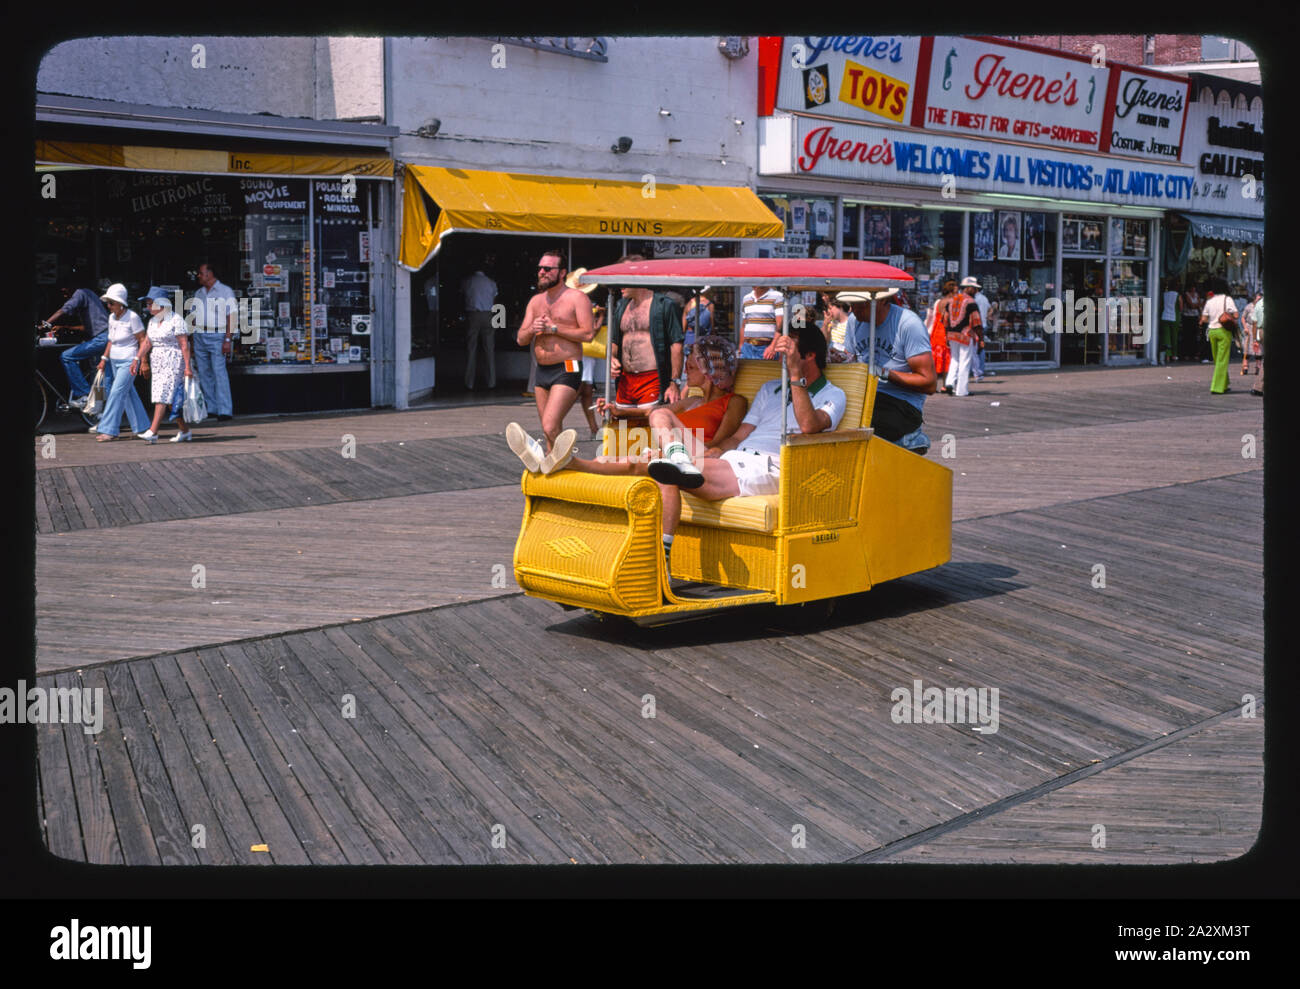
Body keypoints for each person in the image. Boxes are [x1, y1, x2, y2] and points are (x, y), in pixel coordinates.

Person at [647, 324, 845, 563]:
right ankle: (662, 552)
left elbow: (808, 426)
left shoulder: (834, 394)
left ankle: (659, 560)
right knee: (661, 461)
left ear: (810, 355)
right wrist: (717, 451)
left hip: (770, 465)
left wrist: (795, 375)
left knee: (666, 469)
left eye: (788, 349)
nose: (782, 356)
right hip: (738, 457)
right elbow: (739, 436)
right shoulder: (770, 388)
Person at [522, 335, 749, 483]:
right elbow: (654, 413)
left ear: (709, 371)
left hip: (692, 460)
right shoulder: (692, 401)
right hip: (667, 452)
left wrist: (678, 452)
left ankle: (564, 462)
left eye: (690, 367)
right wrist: (618, 411)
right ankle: (550, 462)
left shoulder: (734, 401)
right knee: (605, 459)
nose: (685, 373)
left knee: (632, 462)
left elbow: (718, 445)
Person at [514, 248, 594, 450]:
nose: (542, 272)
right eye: (540, 268)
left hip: (568, 366)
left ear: (561, 273)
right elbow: (521, 339)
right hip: (543, 370)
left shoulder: (577, 298)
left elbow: (587, 334)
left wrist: (555, 328)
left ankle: (571, 464)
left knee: (550, 425)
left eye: (548, 268)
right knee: (550, 430)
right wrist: (533, 329)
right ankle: (557, 472)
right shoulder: (536, 301)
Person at [840, 288, 937, 441]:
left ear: (883, 300)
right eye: (853, 304)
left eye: (862, 305)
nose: (855, 309)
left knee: (868, 424)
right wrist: (839, 358)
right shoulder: (854, 320)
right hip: (864, 396)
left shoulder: (908, 324)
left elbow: (929, 383)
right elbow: (849, 356)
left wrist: (885, 373)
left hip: (900, 403)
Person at [608, 254, 683, 409]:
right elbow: (614, 341)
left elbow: (676, 345)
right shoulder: (621, 306)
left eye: (625, 276)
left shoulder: (664, 305)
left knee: (649, 426)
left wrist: (674, 382)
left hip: (652, 379)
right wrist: (611, 358)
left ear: (639, 275)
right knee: (624, 428)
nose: (620, 282)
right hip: (626, 380)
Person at [89, 284, 151, 441]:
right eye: (108, 303)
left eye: (111, 303)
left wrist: (143, 362)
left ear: (121, 303)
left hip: (130, 361)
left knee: (116, 393)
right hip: (115, 360)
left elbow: (143, 340)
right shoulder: (111, 318)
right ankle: (142, 426)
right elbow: (111, 340)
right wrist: (104, 359)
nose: (108, 306)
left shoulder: (132, 317)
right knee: (128, 393)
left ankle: (109, 429)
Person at [136, 286, 195, 443]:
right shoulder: (153, 322)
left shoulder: (176, 320)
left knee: (163, 394)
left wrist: (188, 367)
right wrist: (138, 358)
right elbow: (147, 342)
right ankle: (185, 431)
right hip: (158, 361)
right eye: (147, 304)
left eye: (150, 304)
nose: (148, 307)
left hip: (174, 361)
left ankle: (153, 431)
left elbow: (184, 345)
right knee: (168, 398)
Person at [41, 284, 112, 408]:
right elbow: (88, 327)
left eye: (65, 288)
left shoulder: (80, 292)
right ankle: (98, 409)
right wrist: (65, 328)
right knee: (98, 375)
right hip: (105, 337)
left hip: (101, 339)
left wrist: (45, 324)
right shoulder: (90, 295)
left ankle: (83, 394)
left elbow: (63, 309)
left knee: (66, 356)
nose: (63, 292)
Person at [191, 261, 236, 420]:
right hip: (200, 335)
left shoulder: (225, 291)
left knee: (219, 372)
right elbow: (194, 317)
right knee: (204, 373)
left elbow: (232, 316)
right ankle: (212, 407)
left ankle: (225, 410)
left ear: (209, 274)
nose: (199, 276)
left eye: (201, 273)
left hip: (218, 335)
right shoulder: (199, 293)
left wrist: (228, 339)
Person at [566, 267, 603, 437]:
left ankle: (594, 428)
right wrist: (601, 317)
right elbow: (591, 332)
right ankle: (554, 422)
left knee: (585, 390)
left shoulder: (570, 303)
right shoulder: (586, 305)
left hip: (579, 352)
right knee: (574, 389)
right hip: (579, 352)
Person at [943, 277, 983, 397]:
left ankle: (949, 383)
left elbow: (945, 320)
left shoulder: (951, 300)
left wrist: (947, 335)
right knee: (965, 362)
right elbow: (976, 322)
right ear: (968, 288)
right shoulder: (971, 302)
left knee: (954, 360)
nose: (976, 291)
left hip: (952, 334)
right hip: (965, 335)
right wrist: (981, 338)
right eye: (975, 289)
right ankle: (962, 390)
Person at [462, 258, 498, 390]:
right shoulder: (491, 282)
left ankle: (469, 382)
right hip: (488, 314)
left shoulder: (468, 281)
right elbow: (495, 298)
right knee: (489, 349)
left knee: (471, 349)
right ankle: (491, 381)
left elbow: (463, 294)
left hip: (473, 314)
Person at [1200, 280, 1238, 396]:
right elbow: (1236, 315)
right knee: (1222, 360)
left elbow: (1204, 318)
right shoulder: (1228, 299)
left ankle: (1224, 383)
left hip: (1211, 331)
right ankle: (1217, 387)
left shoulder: (1210, 301)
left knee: (1217, 359)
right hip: (1223, 330)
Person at [739, 285, 785, 359]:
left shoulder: (778, 296)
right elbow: (744, 325)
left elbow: (780, 324)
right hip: (747, 347)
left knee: (767, 370)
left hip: (766, 348)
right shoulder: (746, 298)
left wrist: (772, 346)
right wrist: (741, 345)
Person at [928, 279, 954, 390]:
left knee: (936, 358)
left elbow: (934, 316)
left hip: (936, 330)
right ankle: (944, 384)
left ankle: (933, 385)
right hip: (945, 330)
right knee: (946, 358)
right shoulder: (951, 301)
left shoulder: (938, 302)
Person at [821, 295, 856, 362]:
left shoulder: (850, 322)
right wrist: (825, 324)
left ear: (840, 307)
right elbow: (824, 340)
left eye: (830, 308)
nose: (829, 311)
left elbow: (851, 349)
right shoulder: (831, 322)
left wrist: (838, 350)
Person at [972, 283, 994, 378]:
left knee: (975, 348)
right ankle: (980, 368)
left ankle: (977, 369)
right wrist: (987, 316)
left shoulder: (974, 299)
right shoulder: (984, 298)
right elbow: (991, 309)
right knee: (980, 348)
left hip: (977, 325)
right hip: (983, 324)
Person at [1159, 279, 1181, 365]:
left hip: (1164, 316)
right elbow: (1181, 306)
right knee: (1174, 337)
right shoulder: (1178, 295)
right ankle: (1174, 355)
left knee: (1166, 337)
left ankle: (1167, 356)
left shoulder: (1164, 294)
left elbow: (1161, 305)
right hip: (1174, 317)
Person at [1240, 291, 1262, 376]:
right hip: (1249, 328)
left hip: (1258, 328)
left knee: (1258, 349)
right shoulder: (1249, 307)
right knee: (1247, 348)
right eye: (1258, 299)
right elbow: (1243, 318)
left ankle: (1258, 367)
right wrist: (1245, 327)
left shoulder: (1262, 307)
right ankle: (1245, 366)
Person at [1250, 294, 1264, 397]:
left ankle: (1258, 387)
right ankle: (1258, 387)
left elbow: (1254, 323)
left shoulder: (1259, 304)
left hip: (1261, 330)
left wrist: (1255, 339)